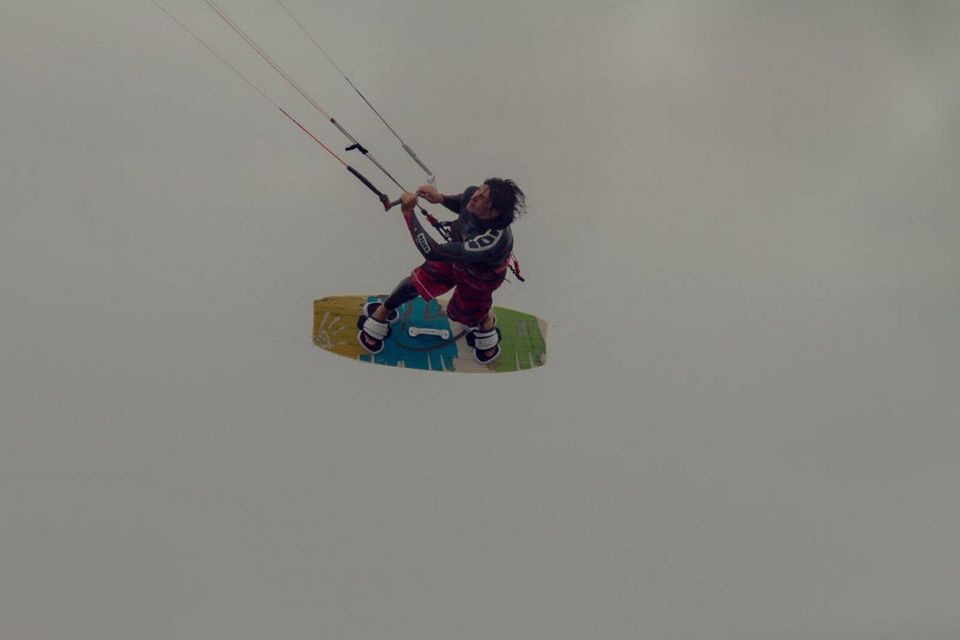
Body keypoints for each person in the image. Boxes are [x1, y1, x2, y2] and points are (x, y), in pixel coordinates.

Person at [357, 178, 526, 364]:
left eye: (483, 197)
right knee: (417, 282)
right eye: (481, 188)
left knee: (462, 314)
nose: (476, 195)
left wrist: (408, 212)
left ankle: (485, 320)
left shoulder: (491, 242)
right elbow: (463, 202)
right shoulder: (473, 195)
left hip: (479, 278)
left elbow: (432, 252)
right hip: (456, 257)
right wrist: (441, 198)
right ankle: (383, 311)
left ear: (493, 212)